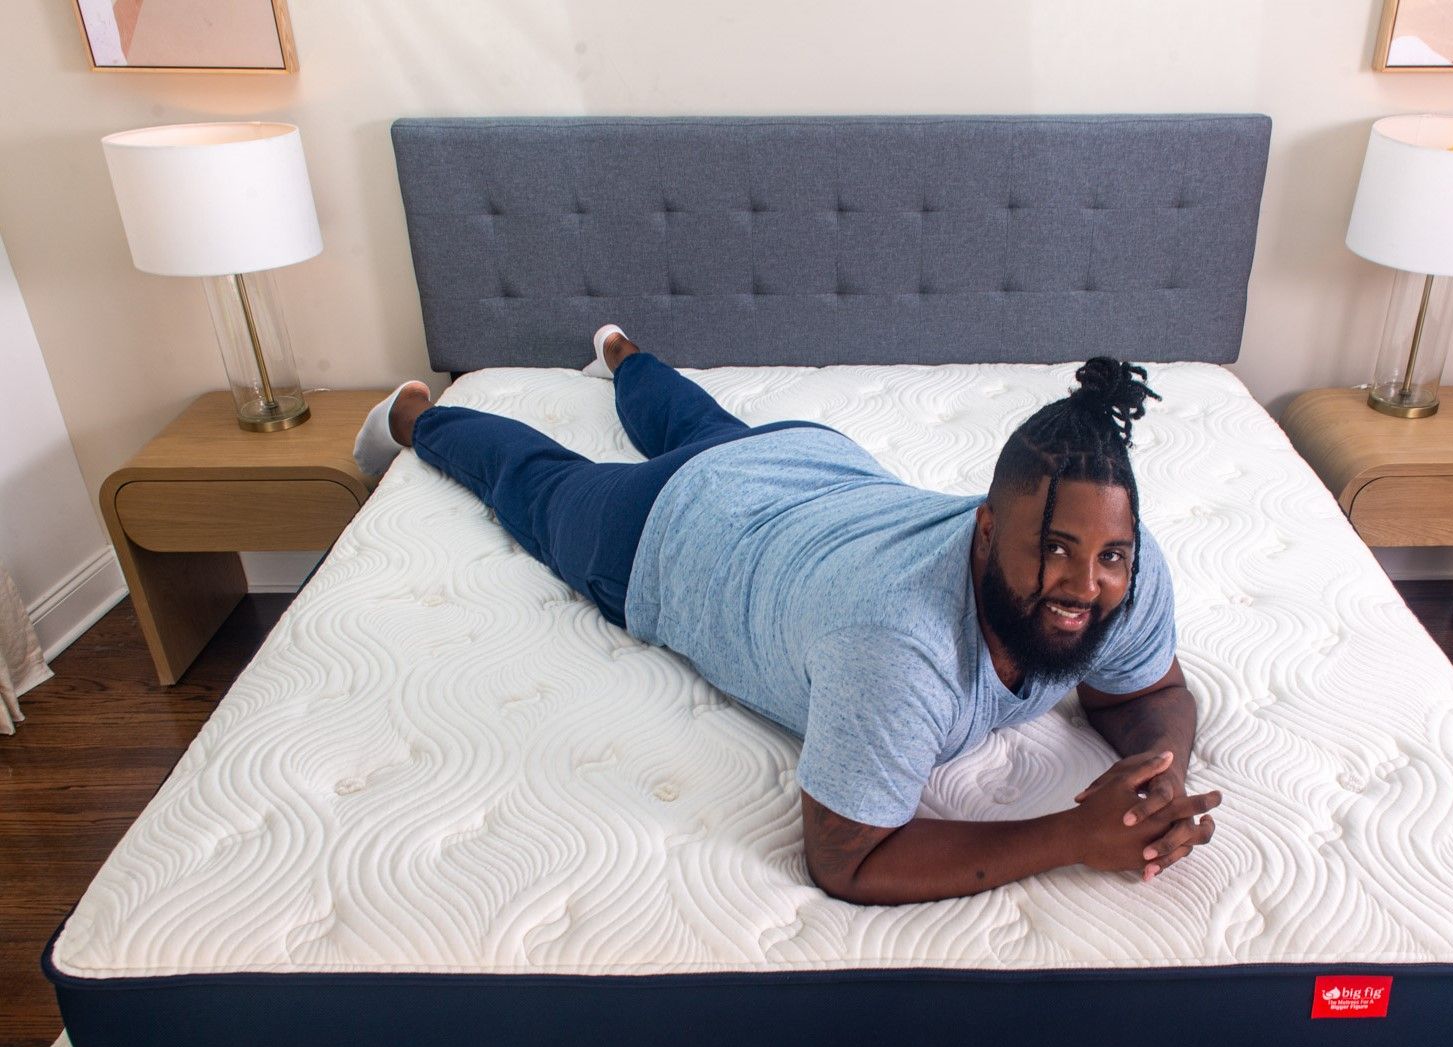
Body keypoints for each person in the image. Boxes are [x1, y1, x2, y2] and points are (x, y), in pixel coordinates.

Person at [354, 327, 1222, 905]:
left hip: (805, 460)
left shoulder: (1129, 571)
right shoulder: (899, 645)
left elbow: (1148, 693)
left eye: (1109, 556)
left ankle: (622, 354)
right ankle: (417, 417)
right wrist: (1073, 835)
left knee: (701, 422)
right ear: (987, 529)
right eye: (1054, 548)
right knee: (538, 484)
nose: (1083, 584)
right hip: (675, 530)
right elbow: (847, 859)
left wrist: (1160, 777)